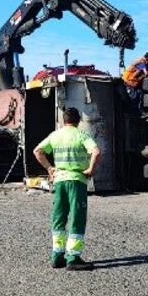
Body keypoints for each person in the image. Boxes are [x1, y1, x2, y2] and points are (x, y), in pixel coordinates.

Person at [33, 107, 102, 271]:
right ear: (78, 121)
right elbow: (96, 152)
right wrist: (91, 169)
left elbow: (38, 151)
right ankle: (73, 257)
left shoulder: (55, 135)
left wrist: (50, 168)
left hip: (59, 181)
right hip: (76, 181)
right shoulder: (81, 135)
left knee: (59, 217)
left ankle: (57, 256)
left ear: (63, 120)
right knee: (77, 217)